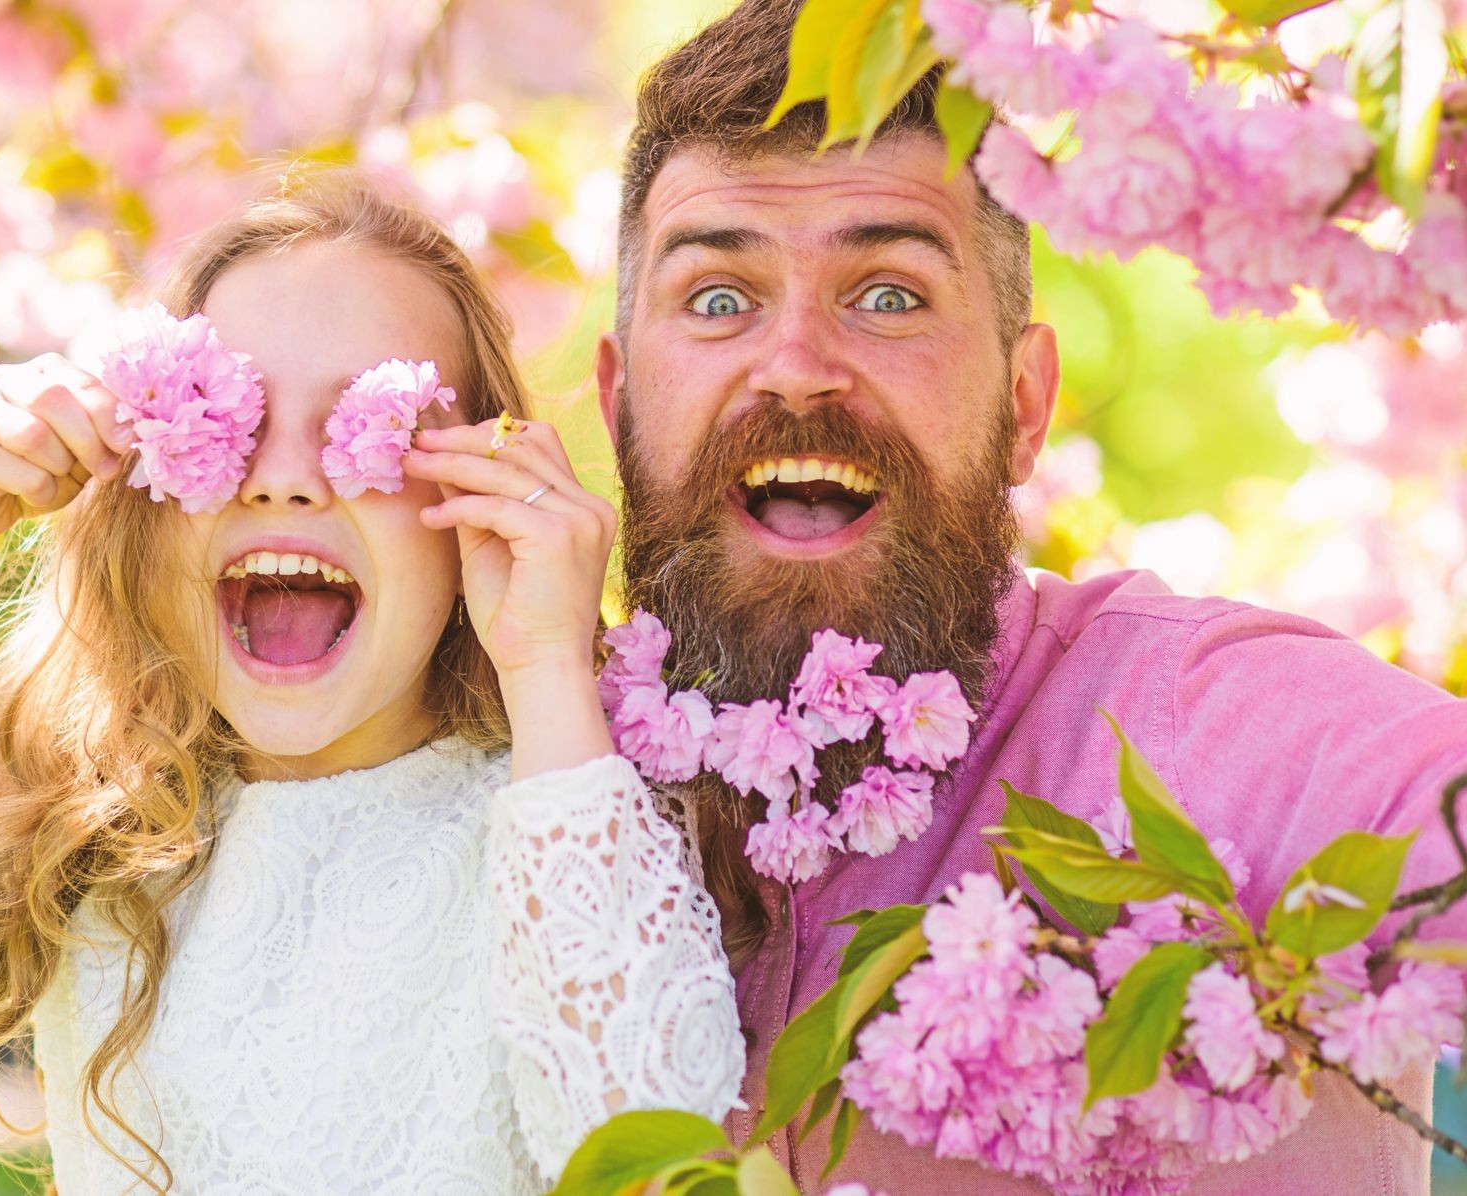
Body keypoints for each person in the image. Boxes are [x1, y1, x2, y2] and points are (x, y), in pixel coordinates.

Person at [0, 179, 745, 1195]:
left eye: (371, 427)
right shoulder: (100, 830)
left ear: (475, 506)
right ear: (142, 498)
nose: (289, 480)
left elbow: (649, 1127)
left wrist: (546, 666)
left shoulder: (567, 825)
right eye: (230, 418)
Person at [597, 1, 1467, 1191]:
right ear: (614, 402)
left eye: (889, 292)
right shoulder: (547, 779)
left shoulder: (1205, 721)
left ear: (1024, 404)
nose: (794, 361)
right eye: (715, 298)